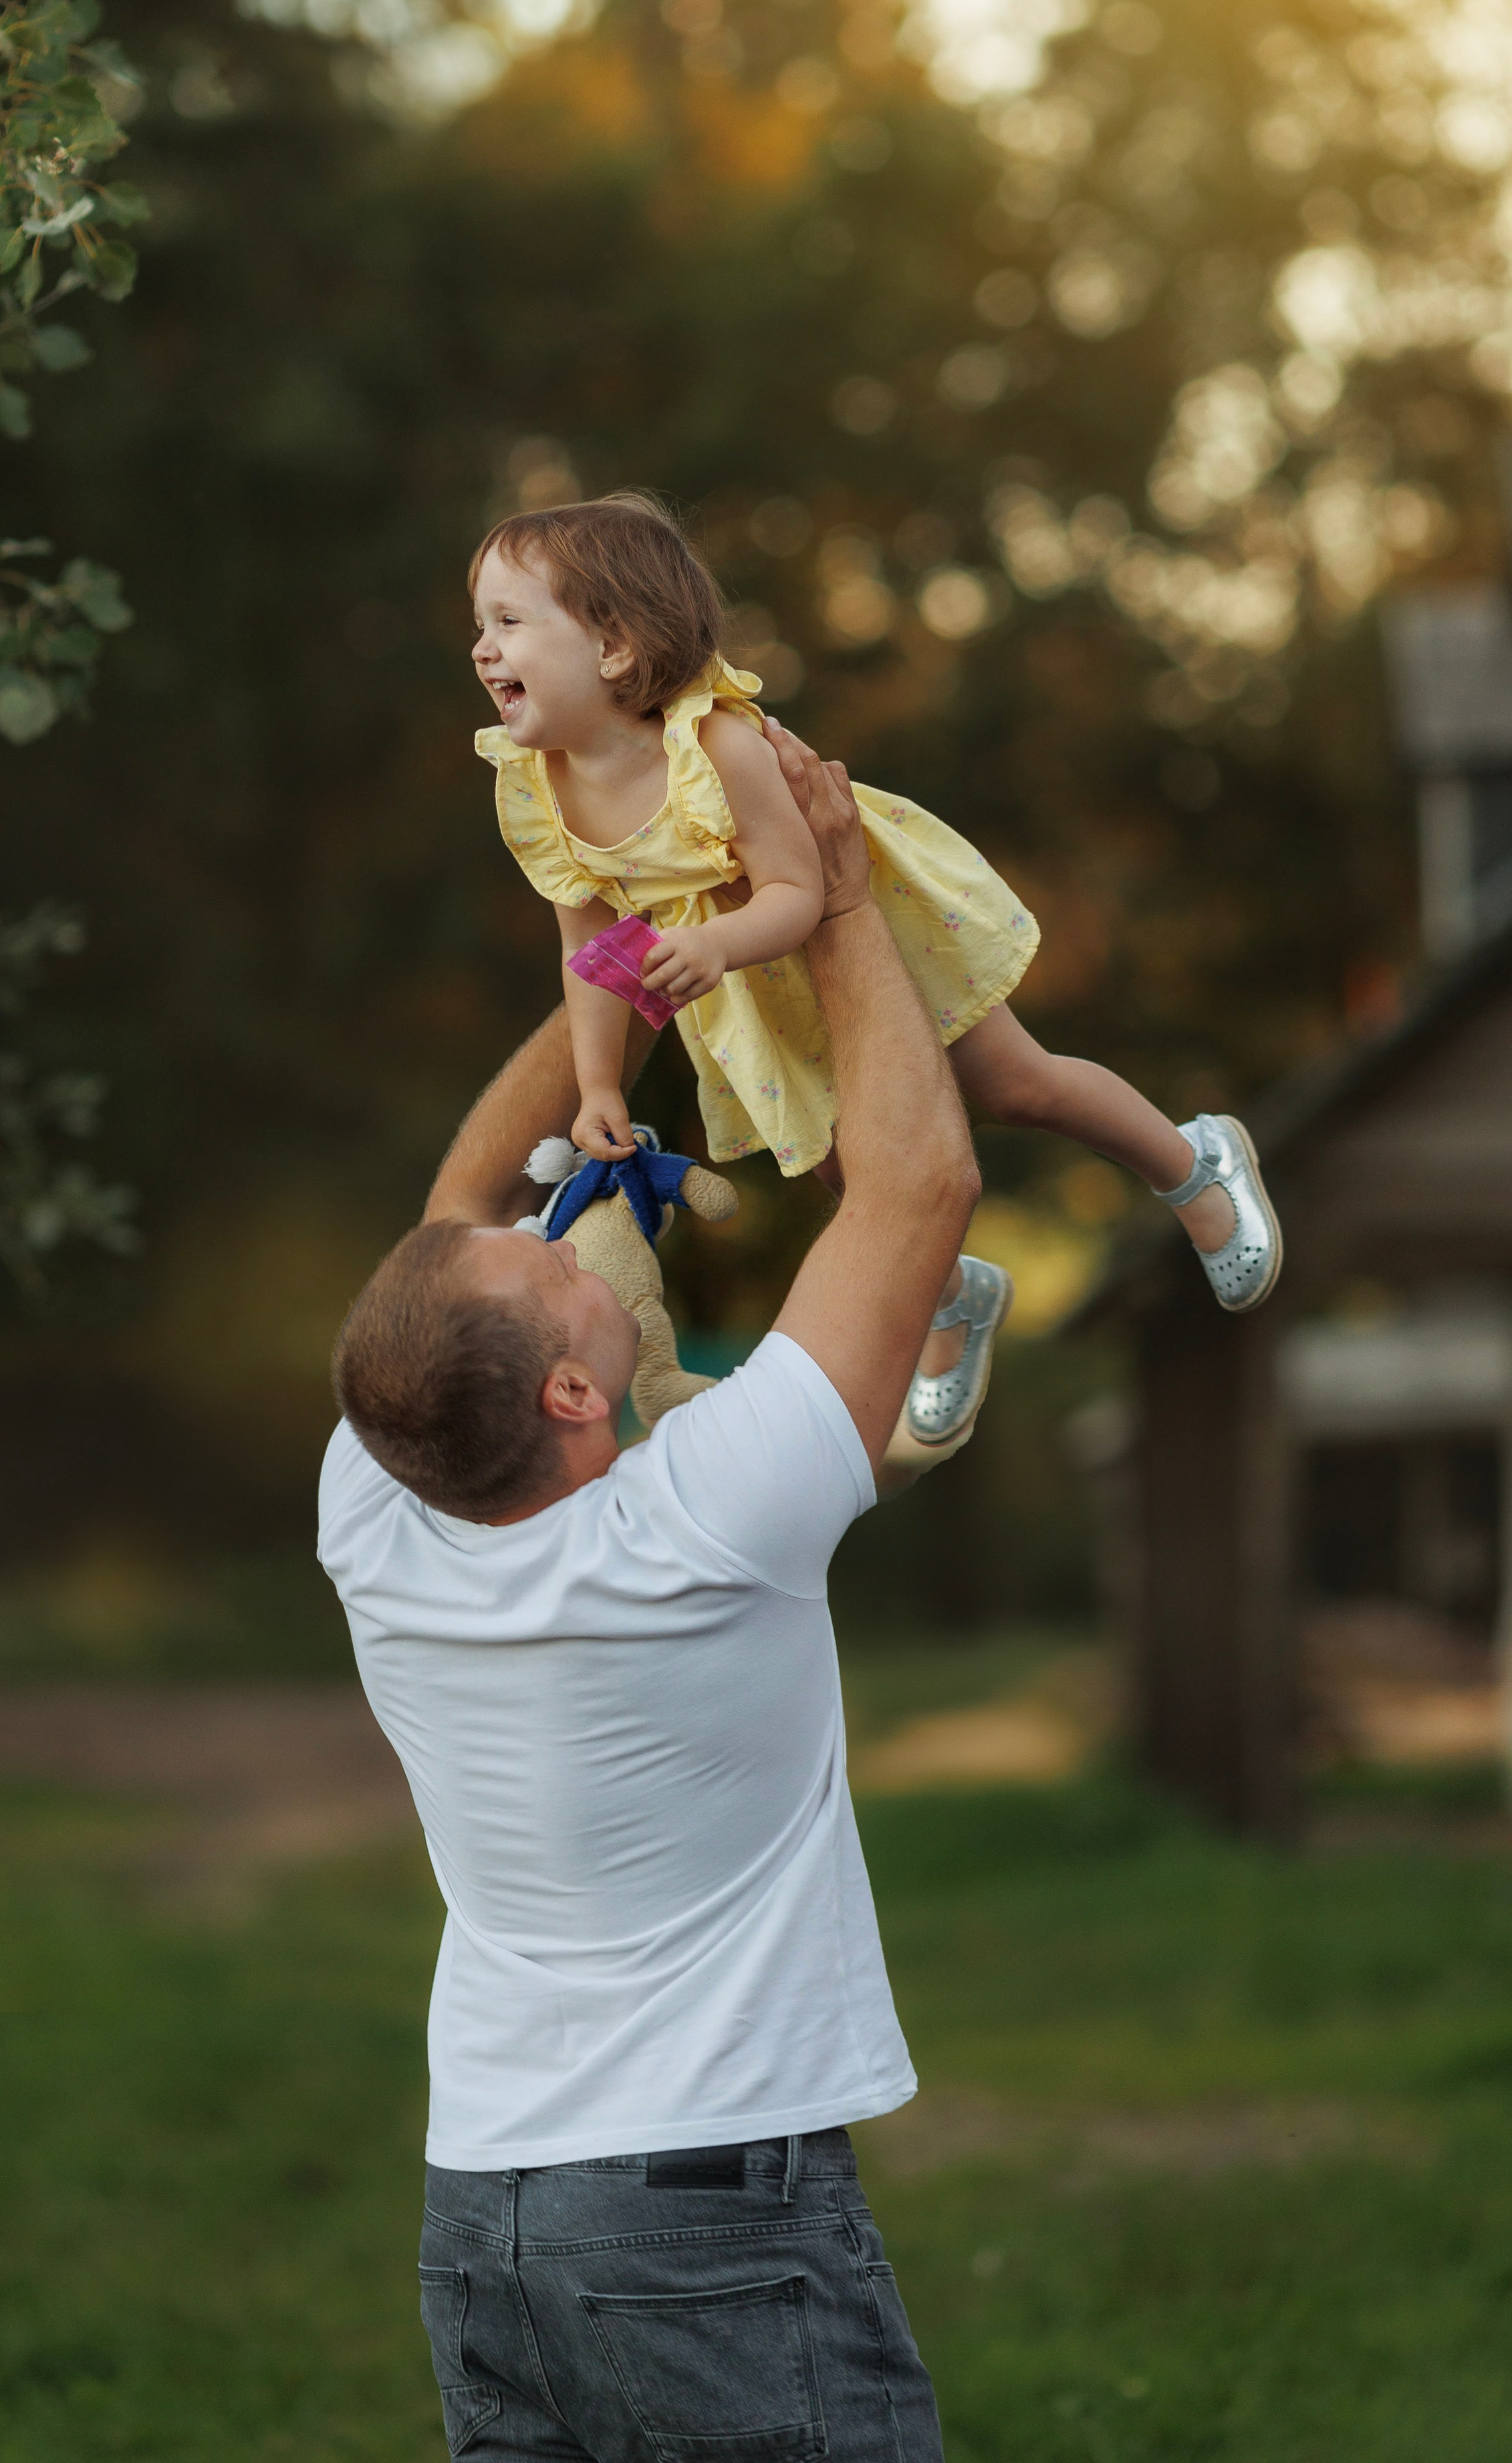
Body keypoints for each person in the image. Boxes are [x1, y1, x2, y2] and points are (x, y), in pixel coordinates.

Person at [318, 725, 975, 2460]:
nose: (552, 1231)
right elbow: (920, 1186)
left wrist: (641, 949)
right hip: (710, 2225)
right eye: (551, 1270)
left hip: (490, 2218)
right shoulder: (705, 1519)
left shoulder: (381, 1503)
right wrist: (820, 890)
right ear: (570, 1395)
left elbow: (453, 1220)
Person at [470, 491, 1283, 1450]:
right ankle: (951, 1296)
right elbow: (591, 952)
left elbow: (798, 891)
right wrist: (599, 1082)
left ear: (611, 647)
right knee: (845, 1171)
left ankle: (1191, 1165)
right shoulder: (535, 786)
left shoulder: (717, 748)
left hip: (855, 944)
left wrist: (718, 944)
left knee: (1016, 1083)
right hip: (756, 1007)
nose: (483, 650)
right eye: (478, 627)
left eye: (509, 623)